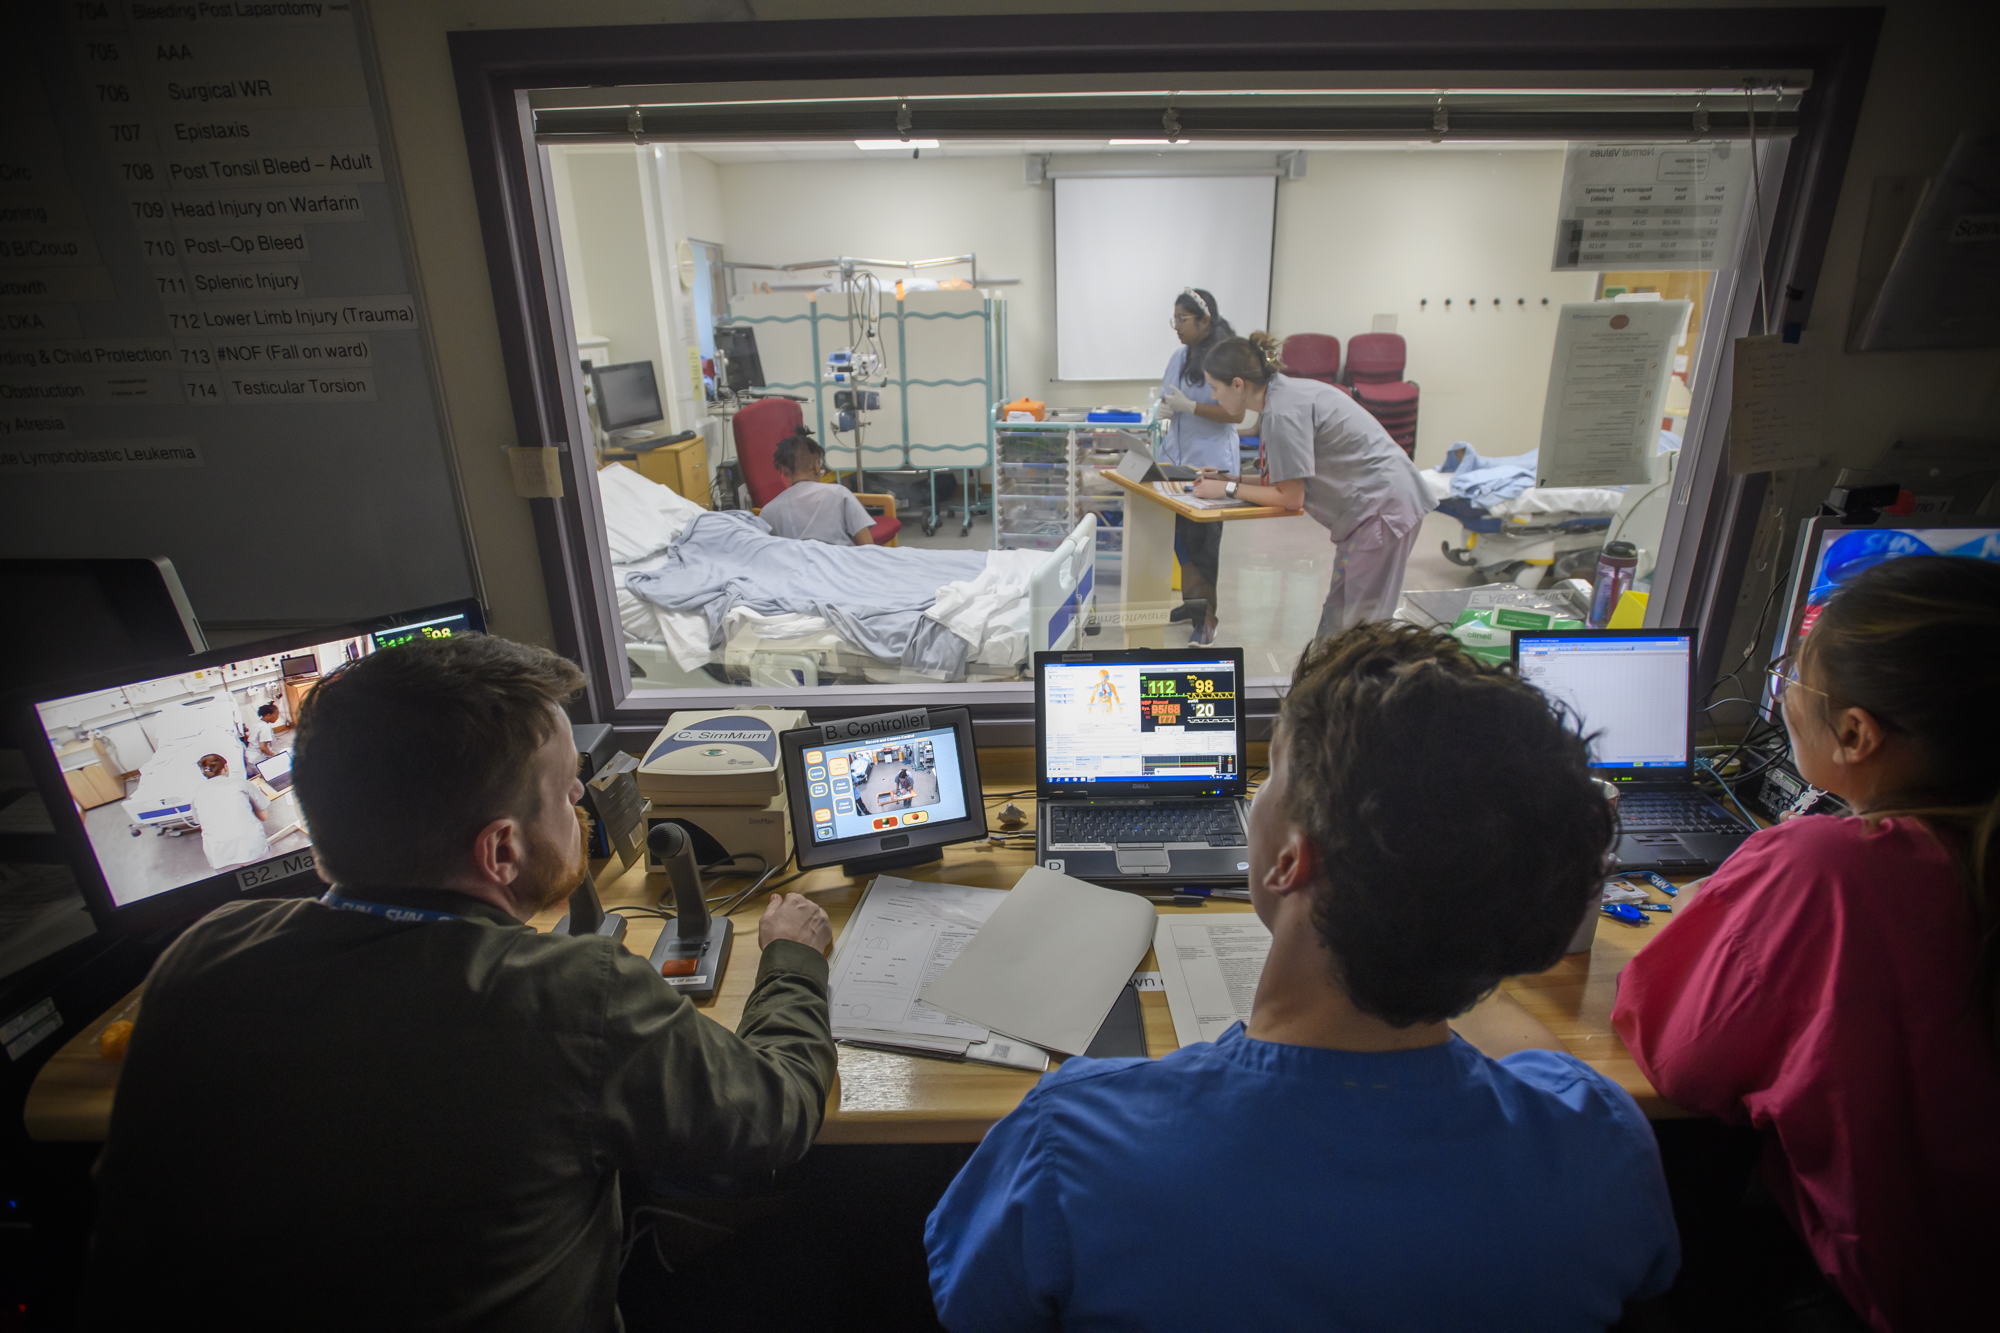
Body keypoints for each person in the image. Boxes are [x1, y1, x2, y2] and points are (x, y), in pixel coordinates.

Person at [927, 623, 1678, 1331]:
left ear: (1291, 859)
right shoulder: (1601, 1146)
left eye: (1273, 771)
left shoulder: (1072, 1142)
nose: (1255, 792)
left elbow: (970, 1306)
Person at [85, 635, 838, 1331]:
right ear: (502, 849)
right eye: (569, 792)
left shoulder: (202, 955)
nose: (580, 807)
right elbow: (776, 1116)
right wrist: (793, 956)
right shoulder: (576, 997)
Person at [1612, 556, 2000, 1333]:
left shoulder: (1827, 869)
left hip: (1901, 1298)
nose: (1782, 689)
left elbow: (1680, 1057)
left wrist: (1728, 912)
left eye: (1793, 674)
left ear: (1856, 733)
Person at [1193, 333, 1434, 639]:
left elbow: (1290, 497)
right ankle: (1328, 682)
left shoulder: (1283, 412)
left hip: (1383, 510)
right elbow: (1279, 480)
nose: (1214, 397)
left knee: (1363, 626)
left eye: (1215, 388)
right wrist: (1231, 479)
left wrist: (1226, 491)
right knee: (1338, 614)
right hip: (1368, 510)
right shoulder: (1281, 397)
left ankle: (1360, 685)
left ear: (1238, 385)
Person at [1156, 288, 1245, 644]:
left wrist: (1190, 407)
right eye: (1174, 318)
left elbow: (1235, 413)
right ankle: (1191, 605)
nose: (1176, 325)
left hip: (1211, 464)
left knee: (1203, 547)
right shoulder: (1179, 356)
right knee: (1181, 539)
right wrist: (1165, 410)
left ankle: (1206, 621)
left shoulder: (1223, 359)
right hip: (1178, 460)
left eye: (1182, 318)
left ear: (1204, 320)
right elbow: (1168, 395)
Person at [758, 424, 875, 546]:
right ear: (815, 465)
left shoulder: (767, 512)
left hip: (796, 564)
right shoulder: (839, 494)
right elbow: (867, 546)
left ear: (784, 470)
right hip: (840, 562)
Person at [189, 752, 271, 872]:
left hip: (219, 854)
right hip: (251, 845)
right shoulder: (241, 784)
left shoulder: (196, 794)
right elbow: (264, 816)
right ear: (225, 767)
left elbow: (199, 822)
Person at [247, 702, 280, 767]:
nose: (277, 717)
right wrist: (276, 756)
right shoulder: (265, 727)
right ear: (268, 715)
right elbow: (263, 748)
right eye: (276, 715)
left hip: (250, 756)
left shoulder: (256, 724)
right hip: (257, 760)